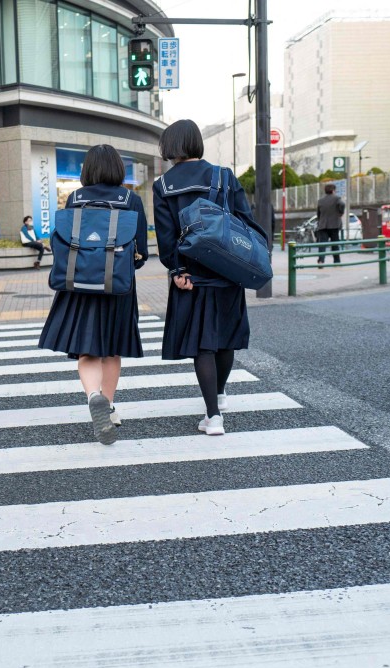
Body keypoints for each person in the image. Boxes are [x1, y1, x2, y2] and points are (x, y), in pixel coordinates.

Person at [152, 119, 266, 436]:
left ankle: (213, 417)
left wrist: (176, 270)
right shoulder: (223, 176)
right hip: (229, 269)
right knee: (224, 337)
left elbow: (166, 236)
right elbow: (245, 221)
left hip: (191, 273)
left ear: (169, 147)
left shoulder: (163, 186)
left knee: (202, 343)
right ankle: (219, 394)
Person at [38, 144, 149, 445]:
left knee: (88, 350)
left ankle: (93, 397)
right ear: (117, 168)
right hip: (118, 287)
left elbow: (63, 240)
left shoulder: (75, 198)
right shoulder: (132, 200)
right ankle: (109, 407)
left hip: (80, 284)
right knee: (112, 349)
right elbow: (142, 253)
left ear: (86, 170)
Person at [315, 183, 344, 264]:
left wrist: (320, 221)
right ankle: (336, 260)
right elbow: (342, 204)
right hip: (334, 225)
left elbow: (318, 213)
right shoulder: (337, 198)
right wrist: (341, 212)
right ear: (333, 190)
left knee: (322, 244)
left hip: (323, 225)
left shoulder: (320, 200)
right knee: (335, 244)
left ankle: (321, 260)